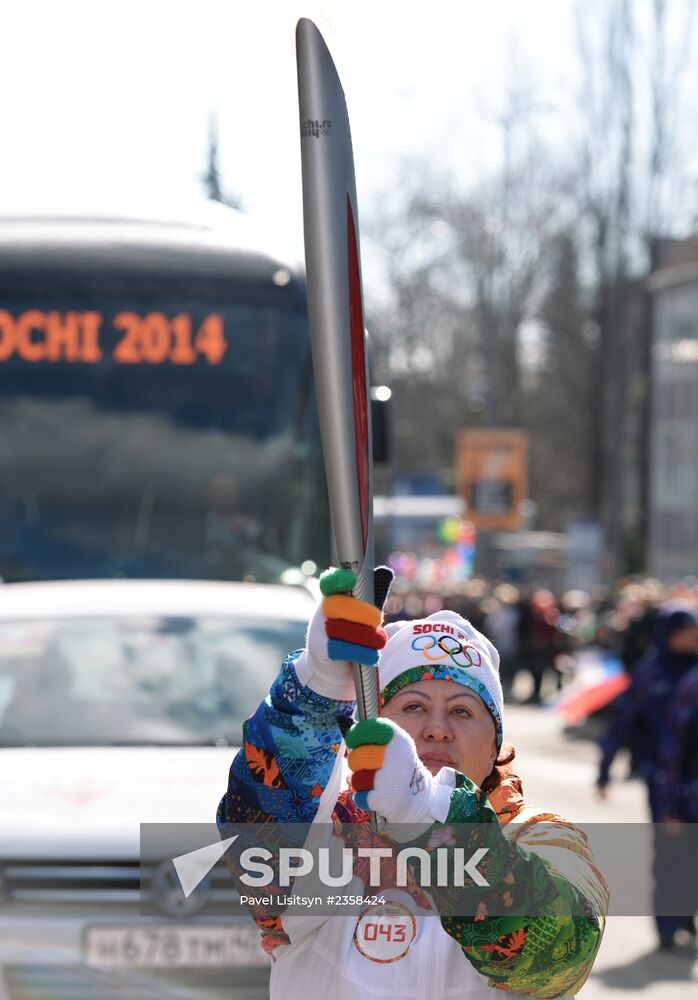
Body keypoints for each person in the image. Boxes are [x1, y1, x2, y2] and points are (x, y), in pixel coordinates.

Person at [218, 567, 607, 998]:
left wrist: (430, 816)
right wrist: (314, 694)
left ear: (495, 742)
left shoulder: (542, 838)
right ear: (376, 722)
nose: (437, 729)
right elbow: (262, 835)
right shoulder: (331, 838)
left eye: (462, 711)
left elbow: (558, 961)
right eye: (414, 706)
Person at [596, 608, 698, 948]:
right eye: (687, 629)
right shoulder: (650, 672)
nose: (692, 635)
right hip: (662, 775)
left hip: (693, 777)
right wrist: (605, 770)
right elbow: (622, 722)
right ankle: (668, 924)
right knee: (670, 846)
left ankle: (685, 915)